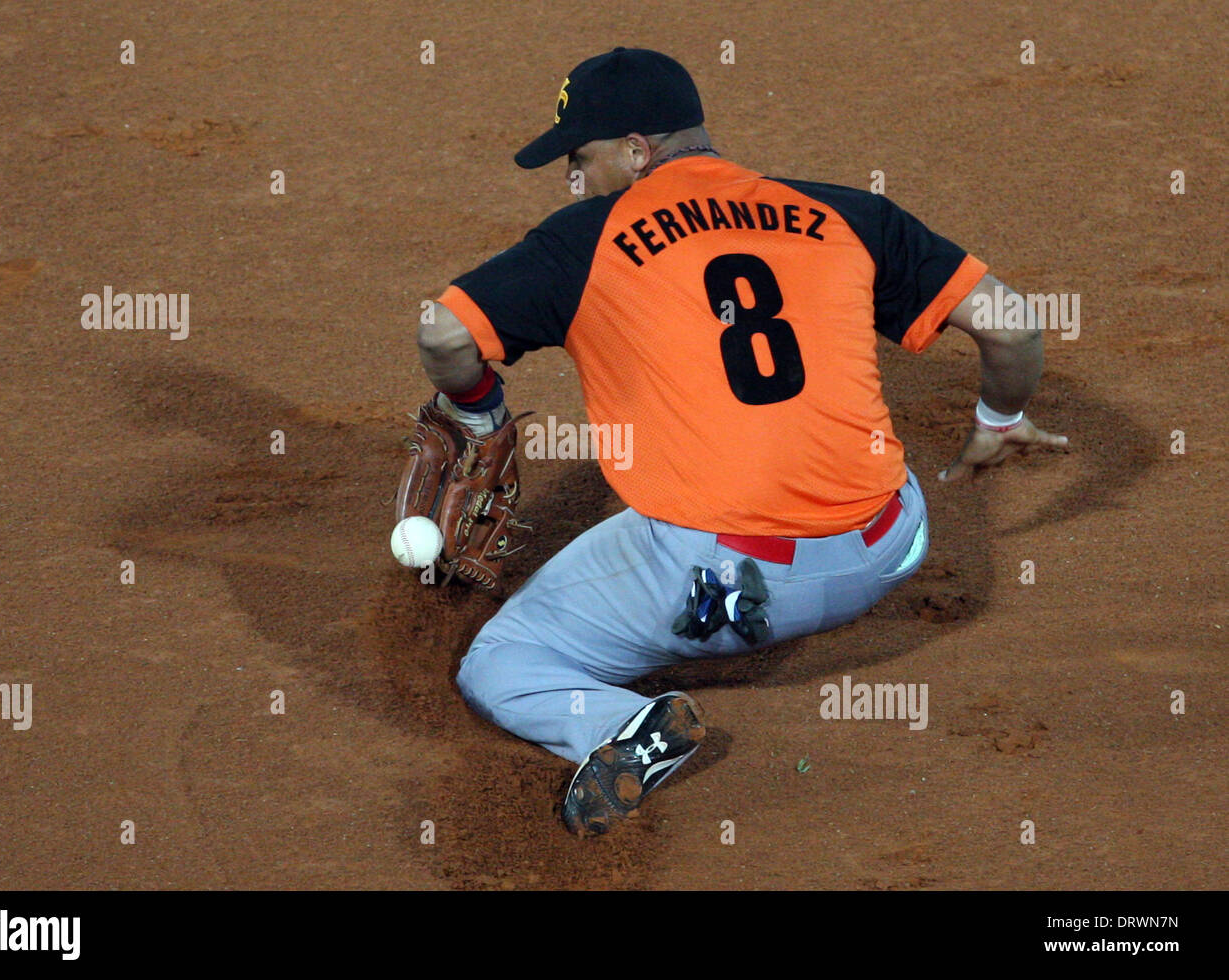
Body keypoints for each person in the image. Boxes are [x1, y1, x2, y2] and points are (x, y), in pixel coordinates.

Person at [415, 47, 1068, 836]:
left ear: (635, 150)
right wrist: (999, 420)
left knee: (503, 660)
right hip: (891, 548)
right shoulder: (846, 213)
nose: (573, 180)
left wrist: (479, 408)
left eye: (580, 159)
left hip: (725, 597)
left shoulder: (585, 238)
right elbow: (1014, 323)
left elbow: (447, 334)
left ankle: (622, 730)